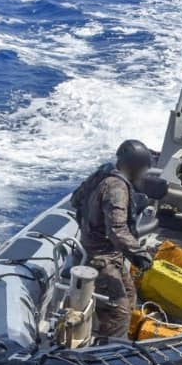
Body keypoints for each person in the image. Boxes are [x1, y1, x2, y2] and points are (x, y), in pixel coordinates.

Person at [71, 140, 155, 340]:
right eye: (141, 169)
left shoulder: (102, 174)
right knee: (119, 312)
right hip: (100, 258)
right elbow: (117, 230)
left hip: (101, 251)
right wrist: (140, 255)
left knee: (130, 294)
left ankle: (116, 337)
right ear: (132, 167)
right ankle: (108, 348)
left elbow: (76, 200)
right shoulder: (117, 188)